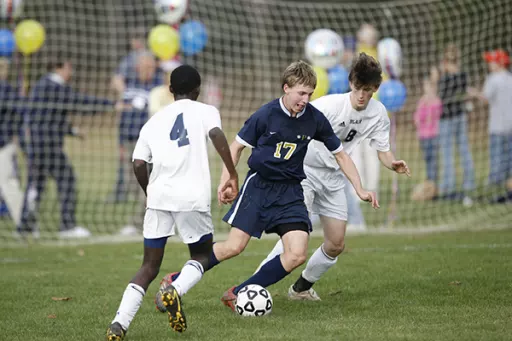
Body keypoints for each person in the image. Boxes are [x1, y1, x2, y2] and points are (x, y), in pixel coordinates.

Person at [210, 60, 377, 312]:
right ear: (286, 88)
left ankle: (239, 292)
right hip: (260, 186)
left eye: (309, 94)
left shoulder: (314, 118)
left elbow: (341, 154)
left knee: (298, 254)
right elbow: (236, 147)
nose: (305, 99)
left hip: (290, 190)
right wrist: (227, 178)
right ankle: (184, 276)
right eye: (301, 93)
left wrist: (359, 188)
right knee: (234, 247)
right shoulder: (265, 114)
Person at [253, 53, 410, 301]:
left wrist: (393, 163)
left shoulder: (379, 114)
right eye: (358, 88)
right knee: (295, 235)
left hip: (335, 177)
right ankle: (254, 286)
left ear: (375, 89)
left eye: (367, 90)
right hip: (303, 173)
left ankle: (300, 289)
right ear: (351, 83)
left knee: (336, 244)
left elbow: (383, 150)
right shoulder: (329, 106)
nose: (361, 95)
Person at [106, 65, 238, 340]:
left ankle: (118, 324)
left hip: (159, 197)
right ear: (198, 90)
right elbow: (215, 134)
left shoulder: (154, 120)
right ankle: (174, 290)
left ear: (170, 91)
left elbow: (139, 162)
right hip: (191, 197)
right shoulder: (206, 110)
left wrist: (148, 191)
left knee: (149, 267)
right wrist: (232, 171)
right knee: (201, 256)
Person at [19, 58, 113, 238]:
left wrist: (72, 131)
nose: (71, 71)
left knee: (36, 185)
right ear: (58, 67)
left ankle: (25, 227)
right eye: (69, 67)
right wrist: (109, 104)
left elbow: (49, 118)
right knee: (67, 180)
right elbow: (78, 101)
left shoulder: (42, 86)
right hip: (48, 146)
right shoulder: (54, 86)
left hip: (39, 144)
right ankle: (67, 226)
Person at [431, 44, 475, 205]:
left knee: (448, 153)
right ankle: (469, 183)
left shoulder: (443, 76)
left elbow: (438, 94)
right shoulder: (462, 75)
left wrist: (437, 77)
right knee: (464, 150)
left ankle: (448, 185)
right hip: (460, 116)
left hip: (447, 118)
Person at [468, 49, 512, 189]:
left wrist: (473, 92)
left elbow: (485, 99)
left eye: (491, 61)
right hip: (510, 125)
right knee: (508, 155)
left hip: (497, 126)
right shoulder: (510, 78)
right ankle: (507, 179)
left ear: (499, 63)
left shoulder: (492, 79)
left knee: (496, 155)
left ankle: (495, 181)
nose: (489, 64)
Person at [0, 57, 24, 230]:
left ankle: (22, 221)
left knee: (9, 183)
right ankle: (23, 221)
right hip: (5, 143)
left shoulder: (7, 89)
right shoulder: (7, 90)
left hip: (4, 144)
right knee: (9, 184)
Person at [414, 77, 442, 187]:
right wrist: (423, 105)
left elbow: (436, 115)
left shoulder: (437, 101)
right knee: (427, 159)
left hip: (434, 135)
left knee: (434, 159)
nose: (427, 89)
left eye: (429, 86)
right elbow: (417, 118)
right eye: (425, 86)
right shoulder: (422, 101)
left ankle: (433, 181)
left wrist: (430, 105)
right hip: (423, 136)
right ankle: (429, 179)